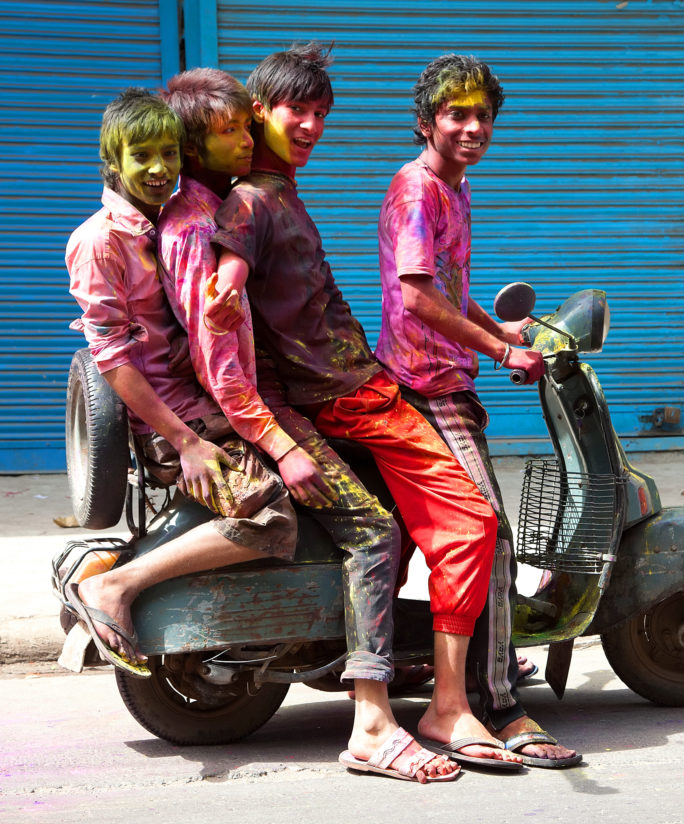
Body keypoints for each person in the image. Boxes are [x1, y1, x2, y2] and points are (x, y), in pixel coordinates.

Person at [205, 44, 521, 774]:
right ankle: (437, 708)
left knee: (428, 530)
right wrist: (225, 283)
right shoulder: (257, 200)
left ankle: (427, 686)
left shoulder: (285, 191)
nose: (312, 126)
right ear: (257, 115)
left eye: (322, 114)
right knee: (474, 525)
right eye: (297, 112)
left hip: (364, 384)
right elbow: (238, 258)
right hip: (355, 396)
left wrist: (499, 332)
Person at [153, 68, 457, 784]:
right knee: (373, 528)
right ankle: (373, 722)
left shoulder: (242, 201)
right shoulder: (210, 222)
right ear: (200, 141)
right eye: (230, 129)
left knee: (394, 501)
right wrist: (285, 446)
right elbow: (226, 372)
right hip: (263, 416)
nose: (246, 136)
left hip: (308, 391)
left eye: (322, 112)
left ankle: (378, 644)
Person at [375, 53, 581, 768]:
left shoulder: (456, 189)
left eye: (482, 115)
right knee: (486, 532)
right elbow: (414, 297)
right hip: (425, 387)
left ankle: (461, 671)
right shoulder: (418, 190)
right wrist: (497, 355)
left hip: (446, 376)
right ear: (427, 120)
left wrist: (502, 332)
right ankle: (495, 702)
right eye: (456, 114)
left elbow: (446, 284)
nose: (471, 127)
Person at [64, 89, 297, 682]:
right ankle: (116, 586)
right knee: (274, 516)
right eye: (141, 154)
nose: (159, 168)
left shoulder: (160, 222)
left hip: (200, 405)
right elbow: (113, 360)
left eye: (168, 152)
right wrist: (187, 442)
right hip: (174, 423)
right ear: (111, 160)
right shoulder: (100, 241)